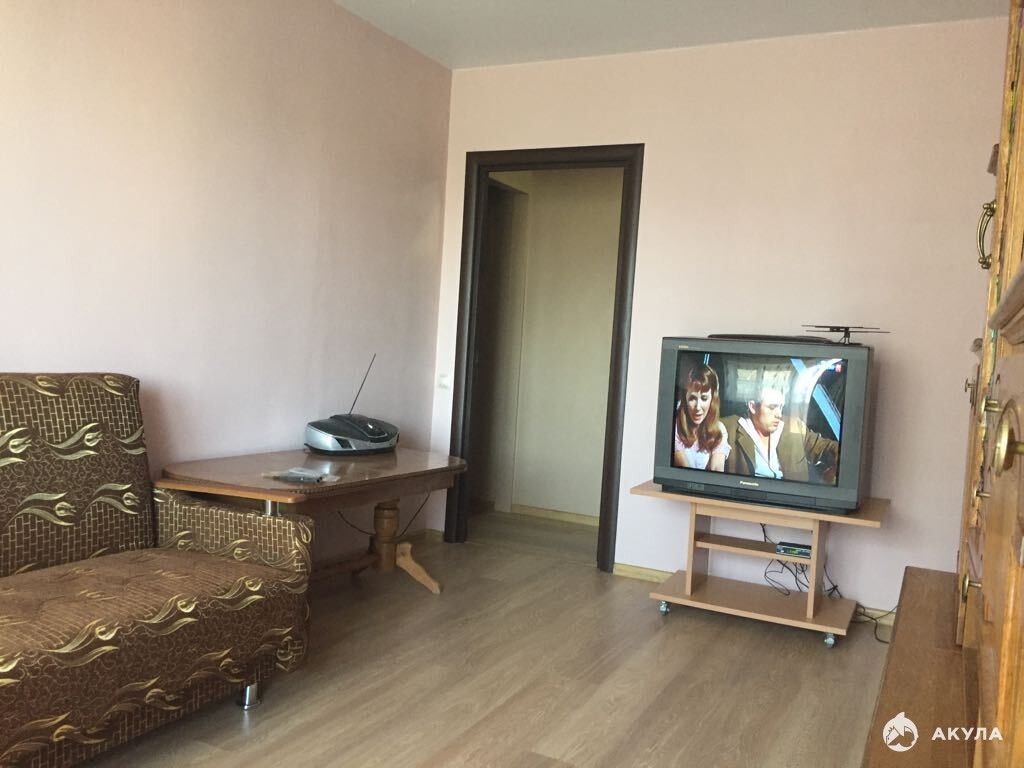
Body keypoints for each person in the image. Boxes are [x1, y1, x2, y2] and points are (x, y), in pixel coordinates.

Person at [721, 385, 839, 483]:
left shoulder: (794, 427)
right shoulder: (727, 428)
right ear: (752, 406)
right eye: (772, 407)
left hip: (791, 501)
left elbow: (826, 447)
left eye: (781, 407)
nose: (779, 414)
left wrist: (839, 465)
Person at [673, 364, 730, 471]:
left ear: (712, 399)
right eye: (692, 398)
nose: (698, 407)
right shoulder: (675, 427)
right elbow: (686, 472)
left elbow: (717, 468)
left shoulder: (719, 429)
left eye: (704, 398)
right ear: (685, 399)